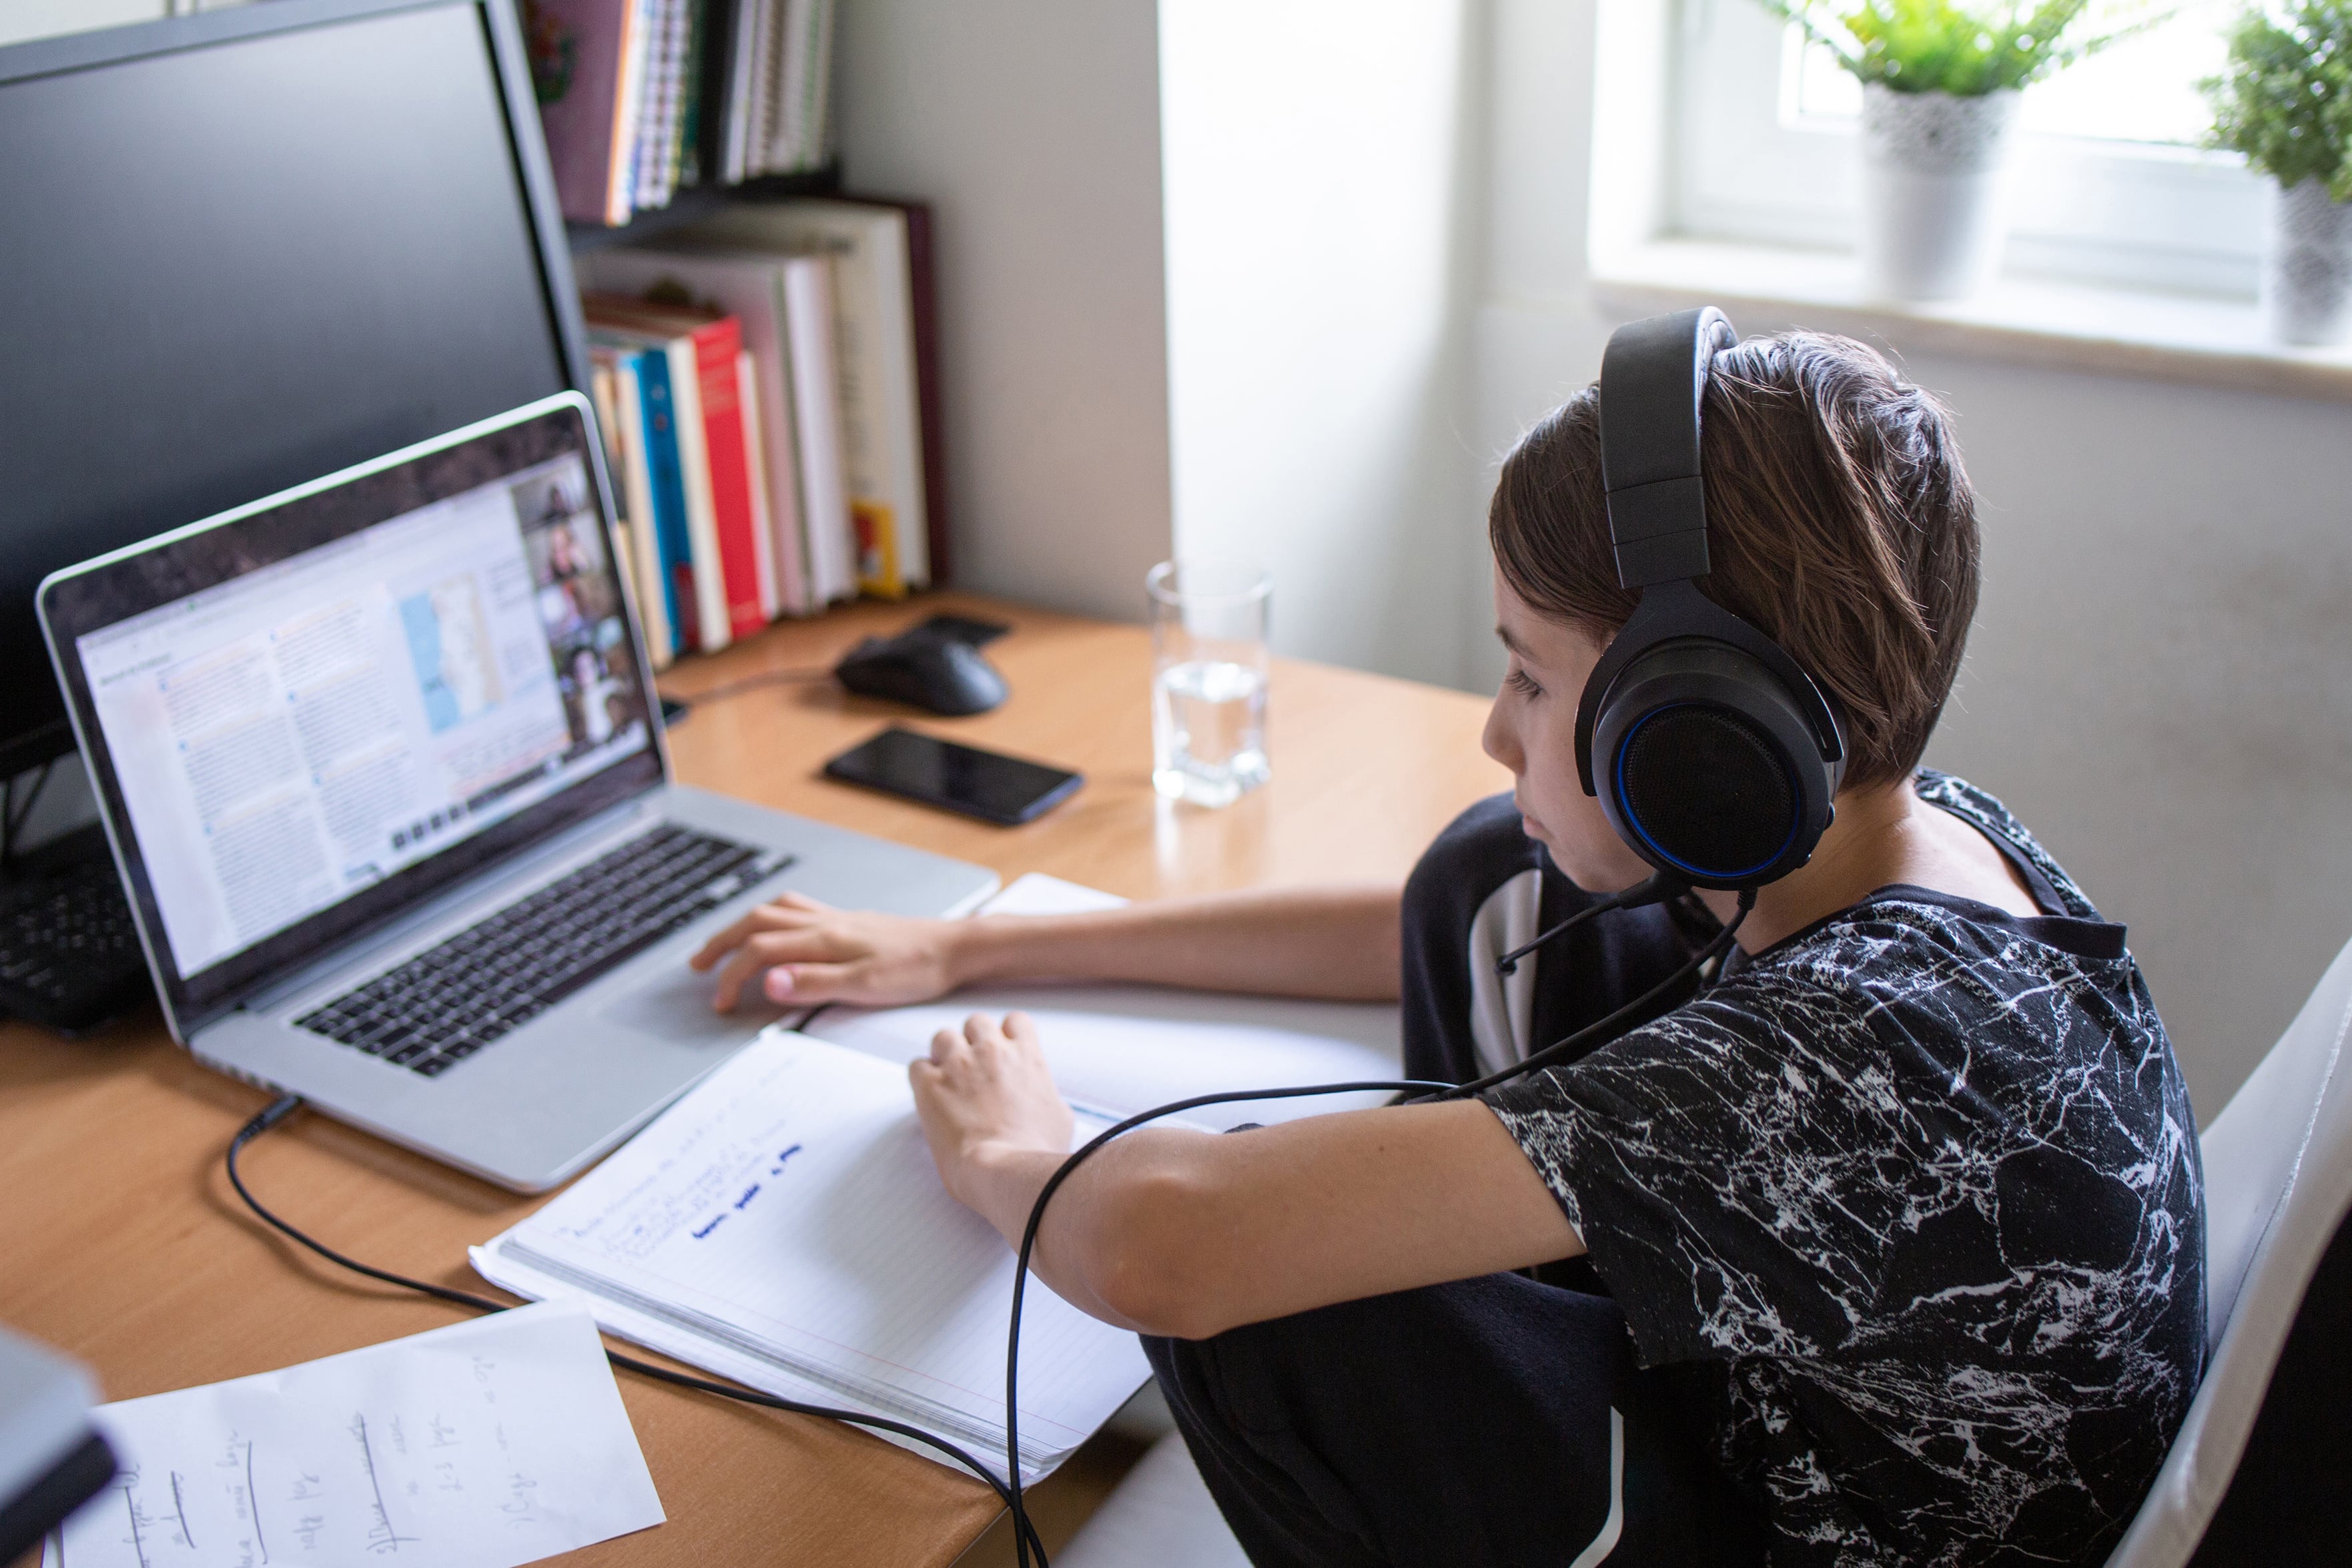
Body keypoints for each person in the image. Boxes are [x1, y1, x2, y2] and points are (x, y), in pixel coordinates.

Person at [689, 329, 2205, 1567]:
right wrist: (969, 955)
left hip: (1766, 1523)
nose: (1492, 727)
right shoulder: (1890, 832)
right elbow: (1412, 920)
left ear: (1690, 745)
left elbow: (1164, 1242)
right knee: (1495, 871)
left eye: (1530, 679)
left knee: (1281, 1291)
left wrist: (1009, 1156)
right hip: (1786, 1407)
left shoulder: (1856, 1065)